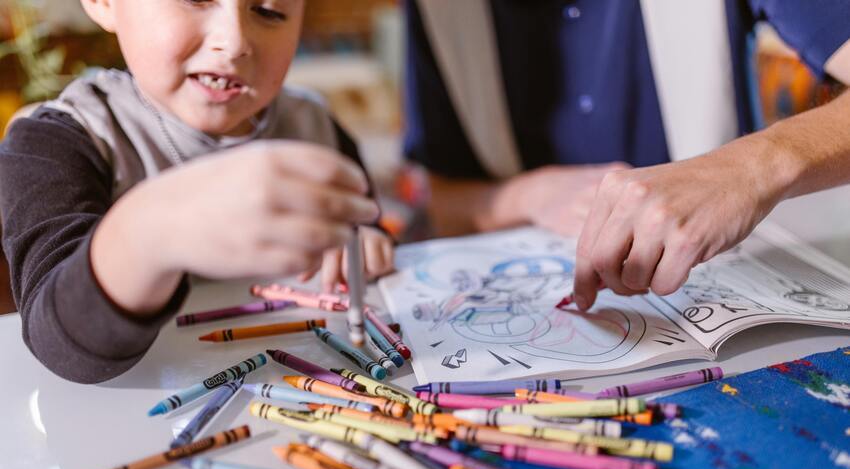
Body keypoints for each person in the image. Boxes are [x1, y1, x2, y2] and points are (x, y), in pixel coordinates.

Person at [0, 0, 395, 383]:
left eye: (269, 10)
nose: (235, 40)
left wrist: (361, 243)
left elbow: (367, 226)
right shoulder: (56, 143)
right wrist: (151, 229)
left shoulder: (316, 127)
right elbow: (60, 345)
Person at [402, 0, 850, 306]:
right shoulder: (436, 10)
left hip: (722, 304)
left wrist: (753, 168)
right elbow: (444, 202)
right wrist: (529, 197)